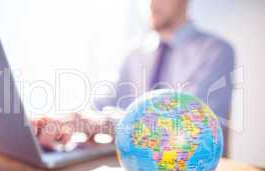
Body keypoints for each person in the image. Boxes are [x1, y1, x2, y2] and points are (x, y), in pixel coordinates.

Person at [32, 0, 235, 150]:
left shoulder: (216, 51)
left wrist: (102, 124)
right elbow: (102, 103)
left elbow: (186, 125)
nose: (150, 3)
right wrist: (63, 119)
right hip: (135, 169)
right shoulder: (136, 52)